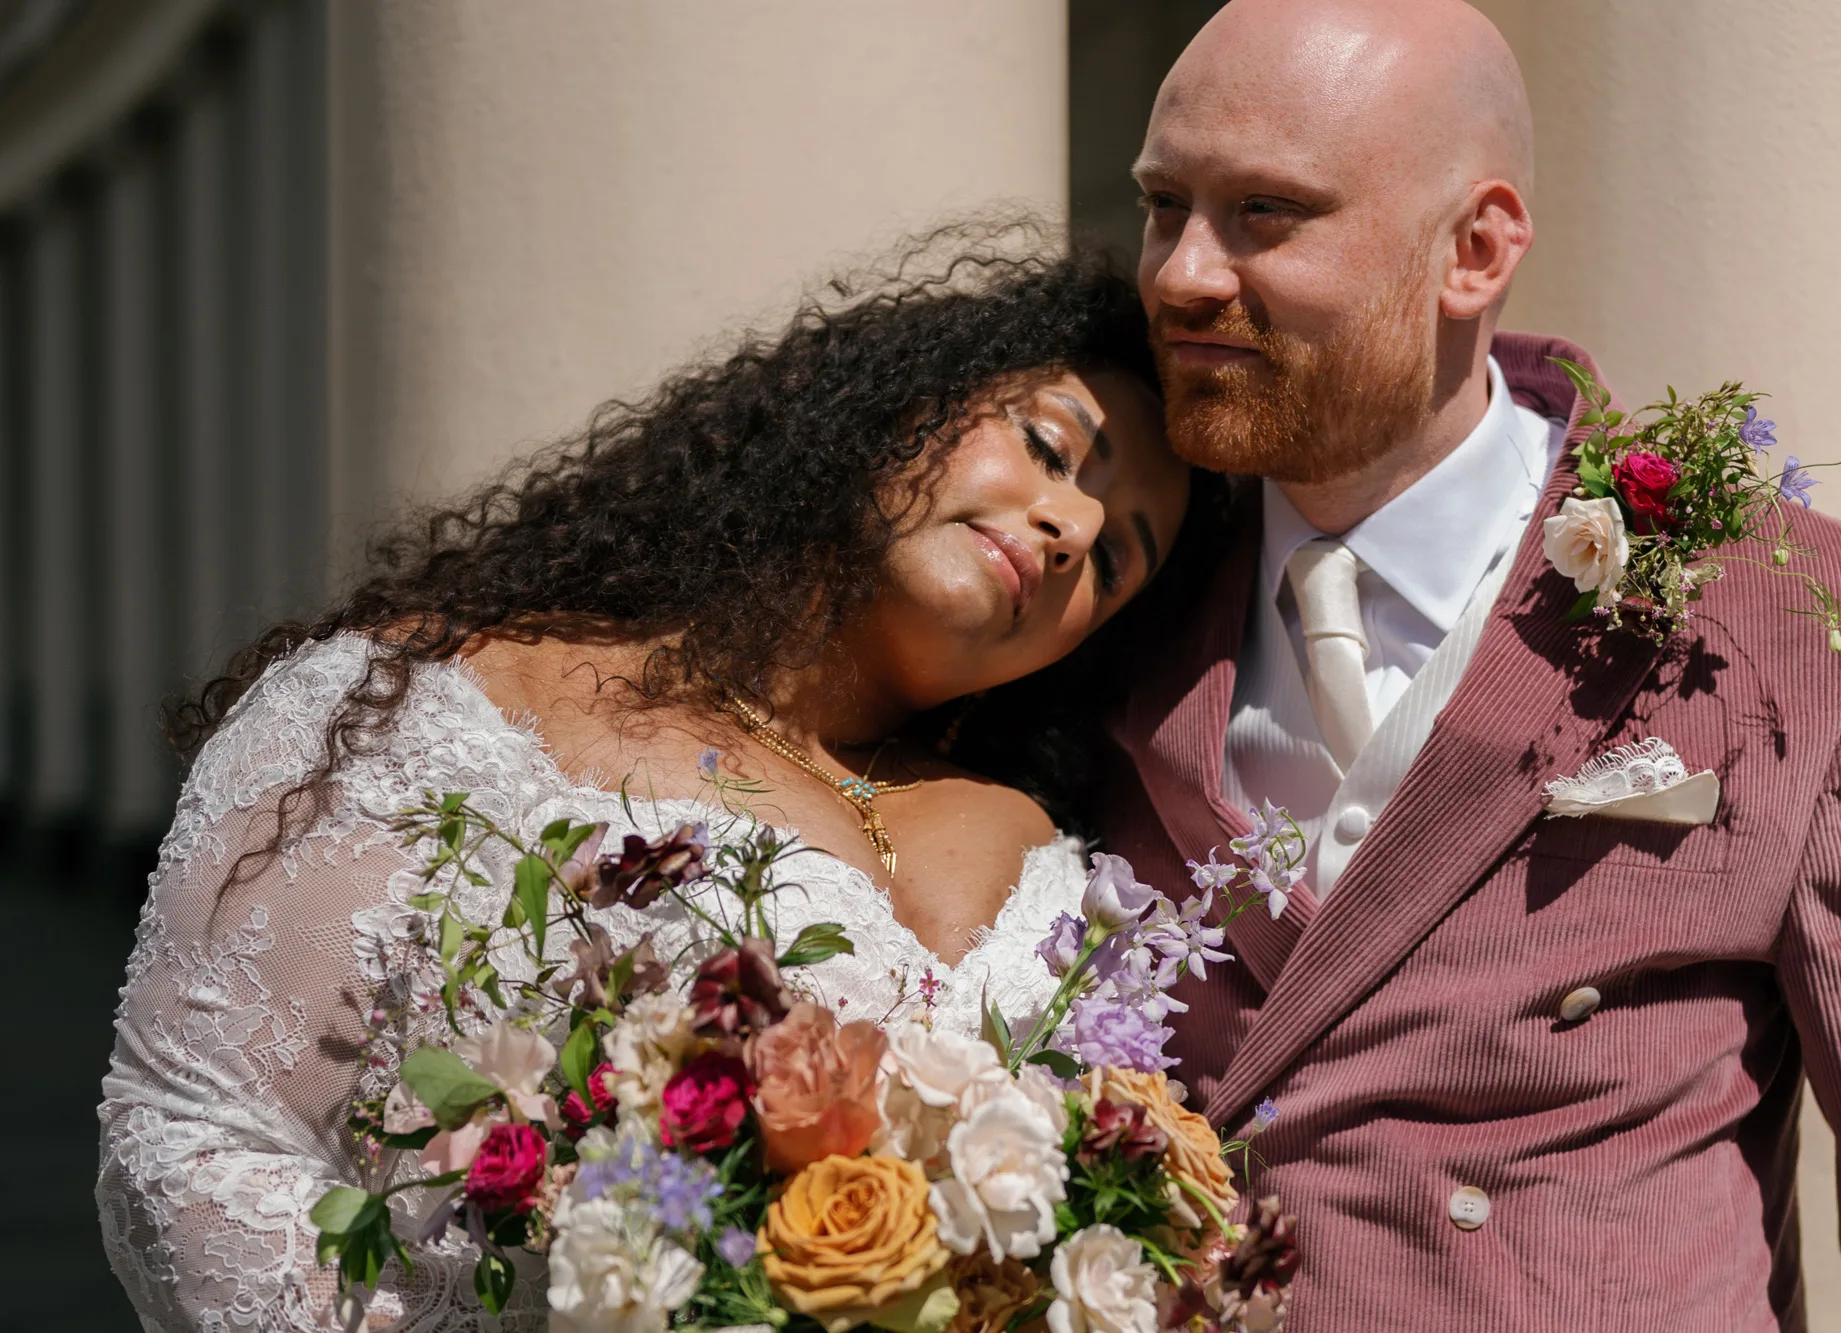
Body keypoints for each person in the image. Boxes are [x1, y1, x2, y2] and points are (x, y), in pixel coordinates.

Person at [97, 238, 1213, 1330]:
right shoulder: (435, 697)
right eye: (1049, 447)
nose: (1070, 527)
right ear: (896, 404)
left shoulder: (1052, 837)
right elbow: (190, 1139)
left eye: (1115, 560)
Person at [1099, 0, 1841, 1327]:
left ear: (1474, 250)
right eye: (1164, 206)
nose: (1180, 273)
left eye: (1265, 215)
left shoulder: (1797, 631)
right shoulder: (1098, 597)